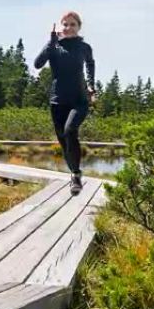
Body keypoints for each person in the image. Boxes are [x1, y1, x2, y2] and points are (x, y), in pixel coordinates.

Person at [34, 11, 96, 195]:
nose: (68, 28)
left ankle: (76, 175)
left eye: (73, 24)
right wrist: (51, 42)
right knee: (63, 142)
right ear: (60, 27)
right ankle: (74, 171)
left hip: (79, 100)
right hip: (57, 101)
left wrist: (91, 85)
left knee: (70, 131)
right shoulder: (53, 46)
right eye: (65, 24)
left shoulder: (84, 47)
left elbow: (90, 64)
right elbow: (38, 64)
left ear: (79, 27)